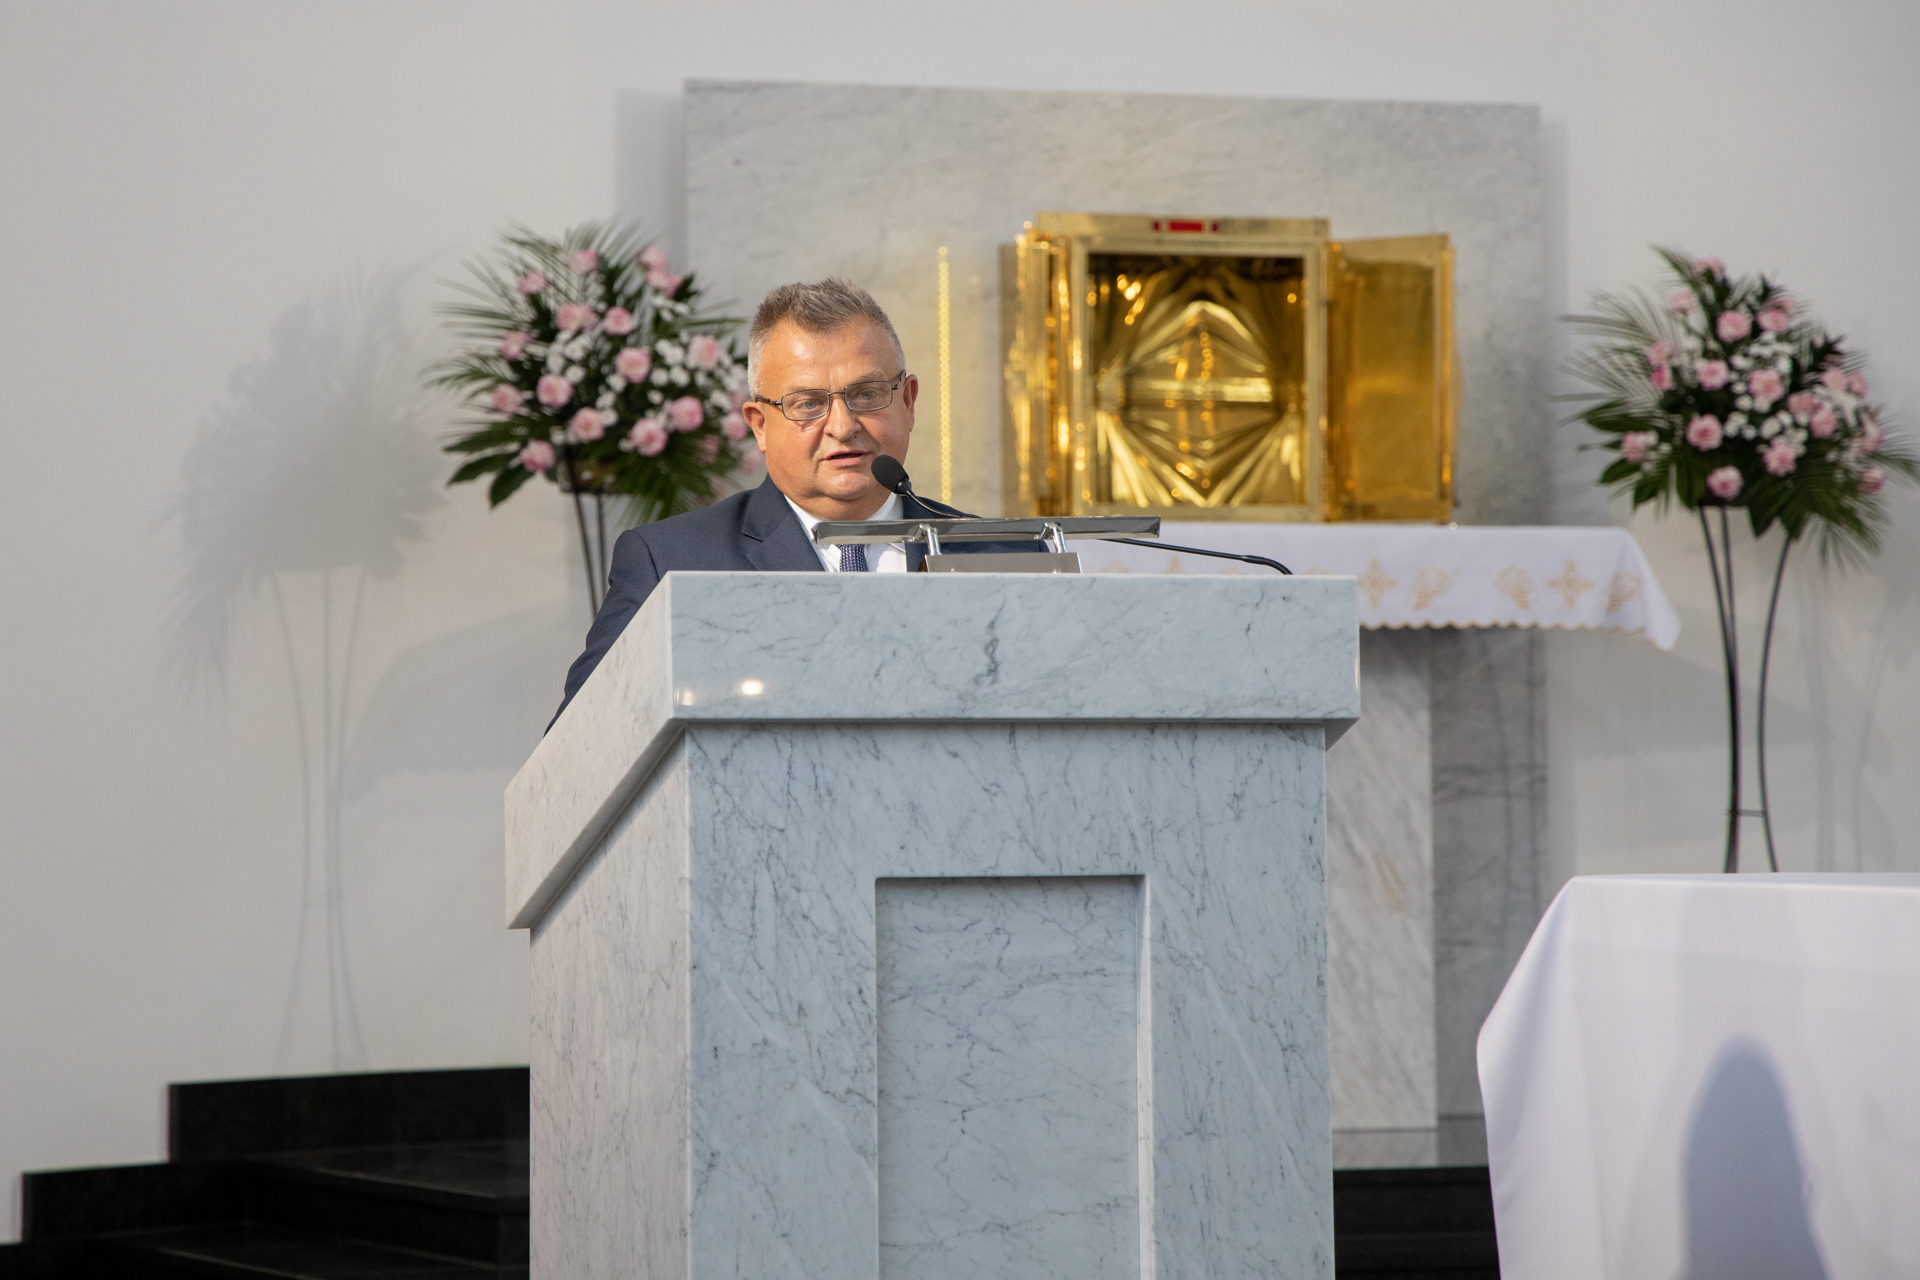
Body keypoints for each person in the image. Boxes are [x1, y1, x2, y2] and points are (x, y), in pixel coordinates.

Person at [550, 277, 1032, 726]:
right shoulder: (671, 562)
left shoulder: (1005, 554)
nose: (842, 426)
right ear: (759, 425)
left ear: (907, 402)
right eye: (807, 404)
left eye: (867, 394)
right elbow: (581, 744)